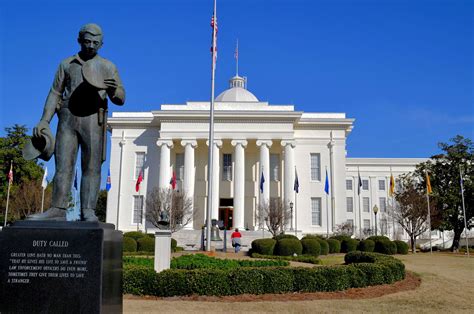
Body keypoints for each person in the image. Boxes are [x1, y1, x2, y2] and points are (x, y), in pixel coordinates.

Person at [28, 23, 125, 221]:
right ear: (79, 40)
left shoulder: (108, 66)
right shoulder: (67, 64)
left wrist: (114, 90)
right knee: (63, 165)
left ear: (101, 44)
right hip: (68, 118)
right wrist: (44, 120)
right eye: (87, 41)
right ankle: (58, 209)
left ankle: (88, 210)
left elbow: (121, 98)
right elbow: (55, 92)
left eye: (95, 43)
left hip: (93, 119)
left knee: (92, 166)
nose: (91, 46)